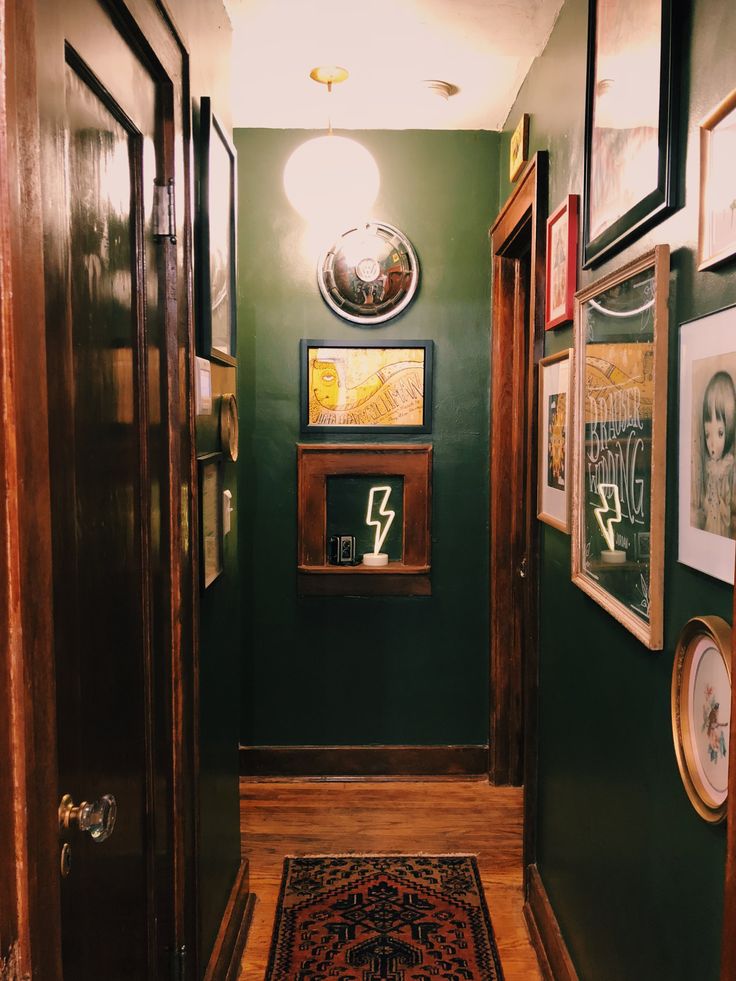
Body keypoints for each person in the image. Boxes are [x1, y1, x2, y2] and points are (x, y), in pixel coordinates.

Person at [701, 370, 736, 539]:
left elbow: (728, 499)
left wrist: (722, 507)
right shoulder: (710, 466)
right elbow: (708, 494)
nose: (712, 443)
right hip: (710, 519)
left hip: (721, 521)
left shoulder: (728, 467)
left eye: (720, 433)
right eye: (708, 434)